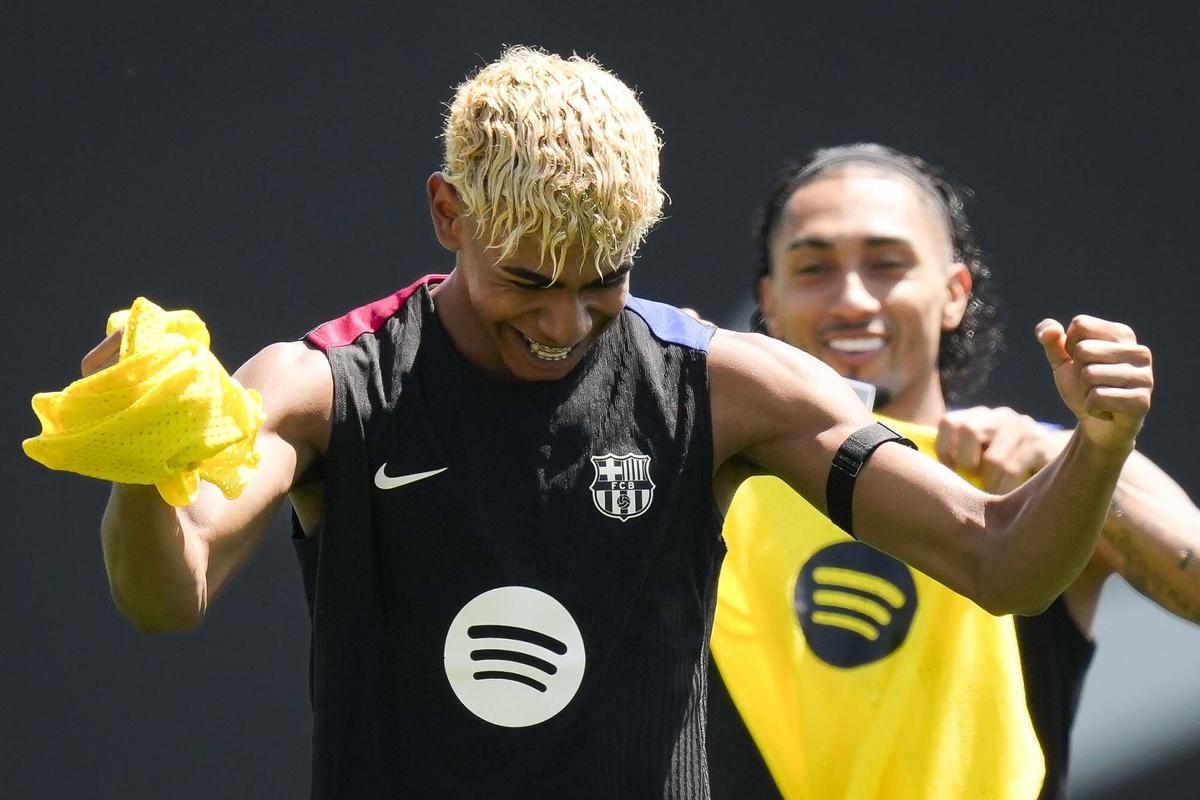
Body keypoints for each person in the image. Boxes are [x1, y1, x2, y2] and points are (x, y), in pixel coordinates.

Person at [70, 52, 1153, 798]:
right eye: (529, 281)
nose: (564, 323)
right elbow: (168, 593)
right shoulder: (326, 383)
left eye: (603, 281)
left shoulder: (726, 386)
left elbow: (999, 561)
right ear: (449, 213)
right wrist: (138, 453)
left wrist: (1099, 444)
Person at [706, 143, 1200, 800]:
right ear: (768, 300)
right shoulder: (704, 480)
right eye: (814, 268)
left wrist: (1074, 466)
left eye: (887, 264)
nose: (851, 299)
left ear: (953, 293)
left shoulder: (1058, 468)